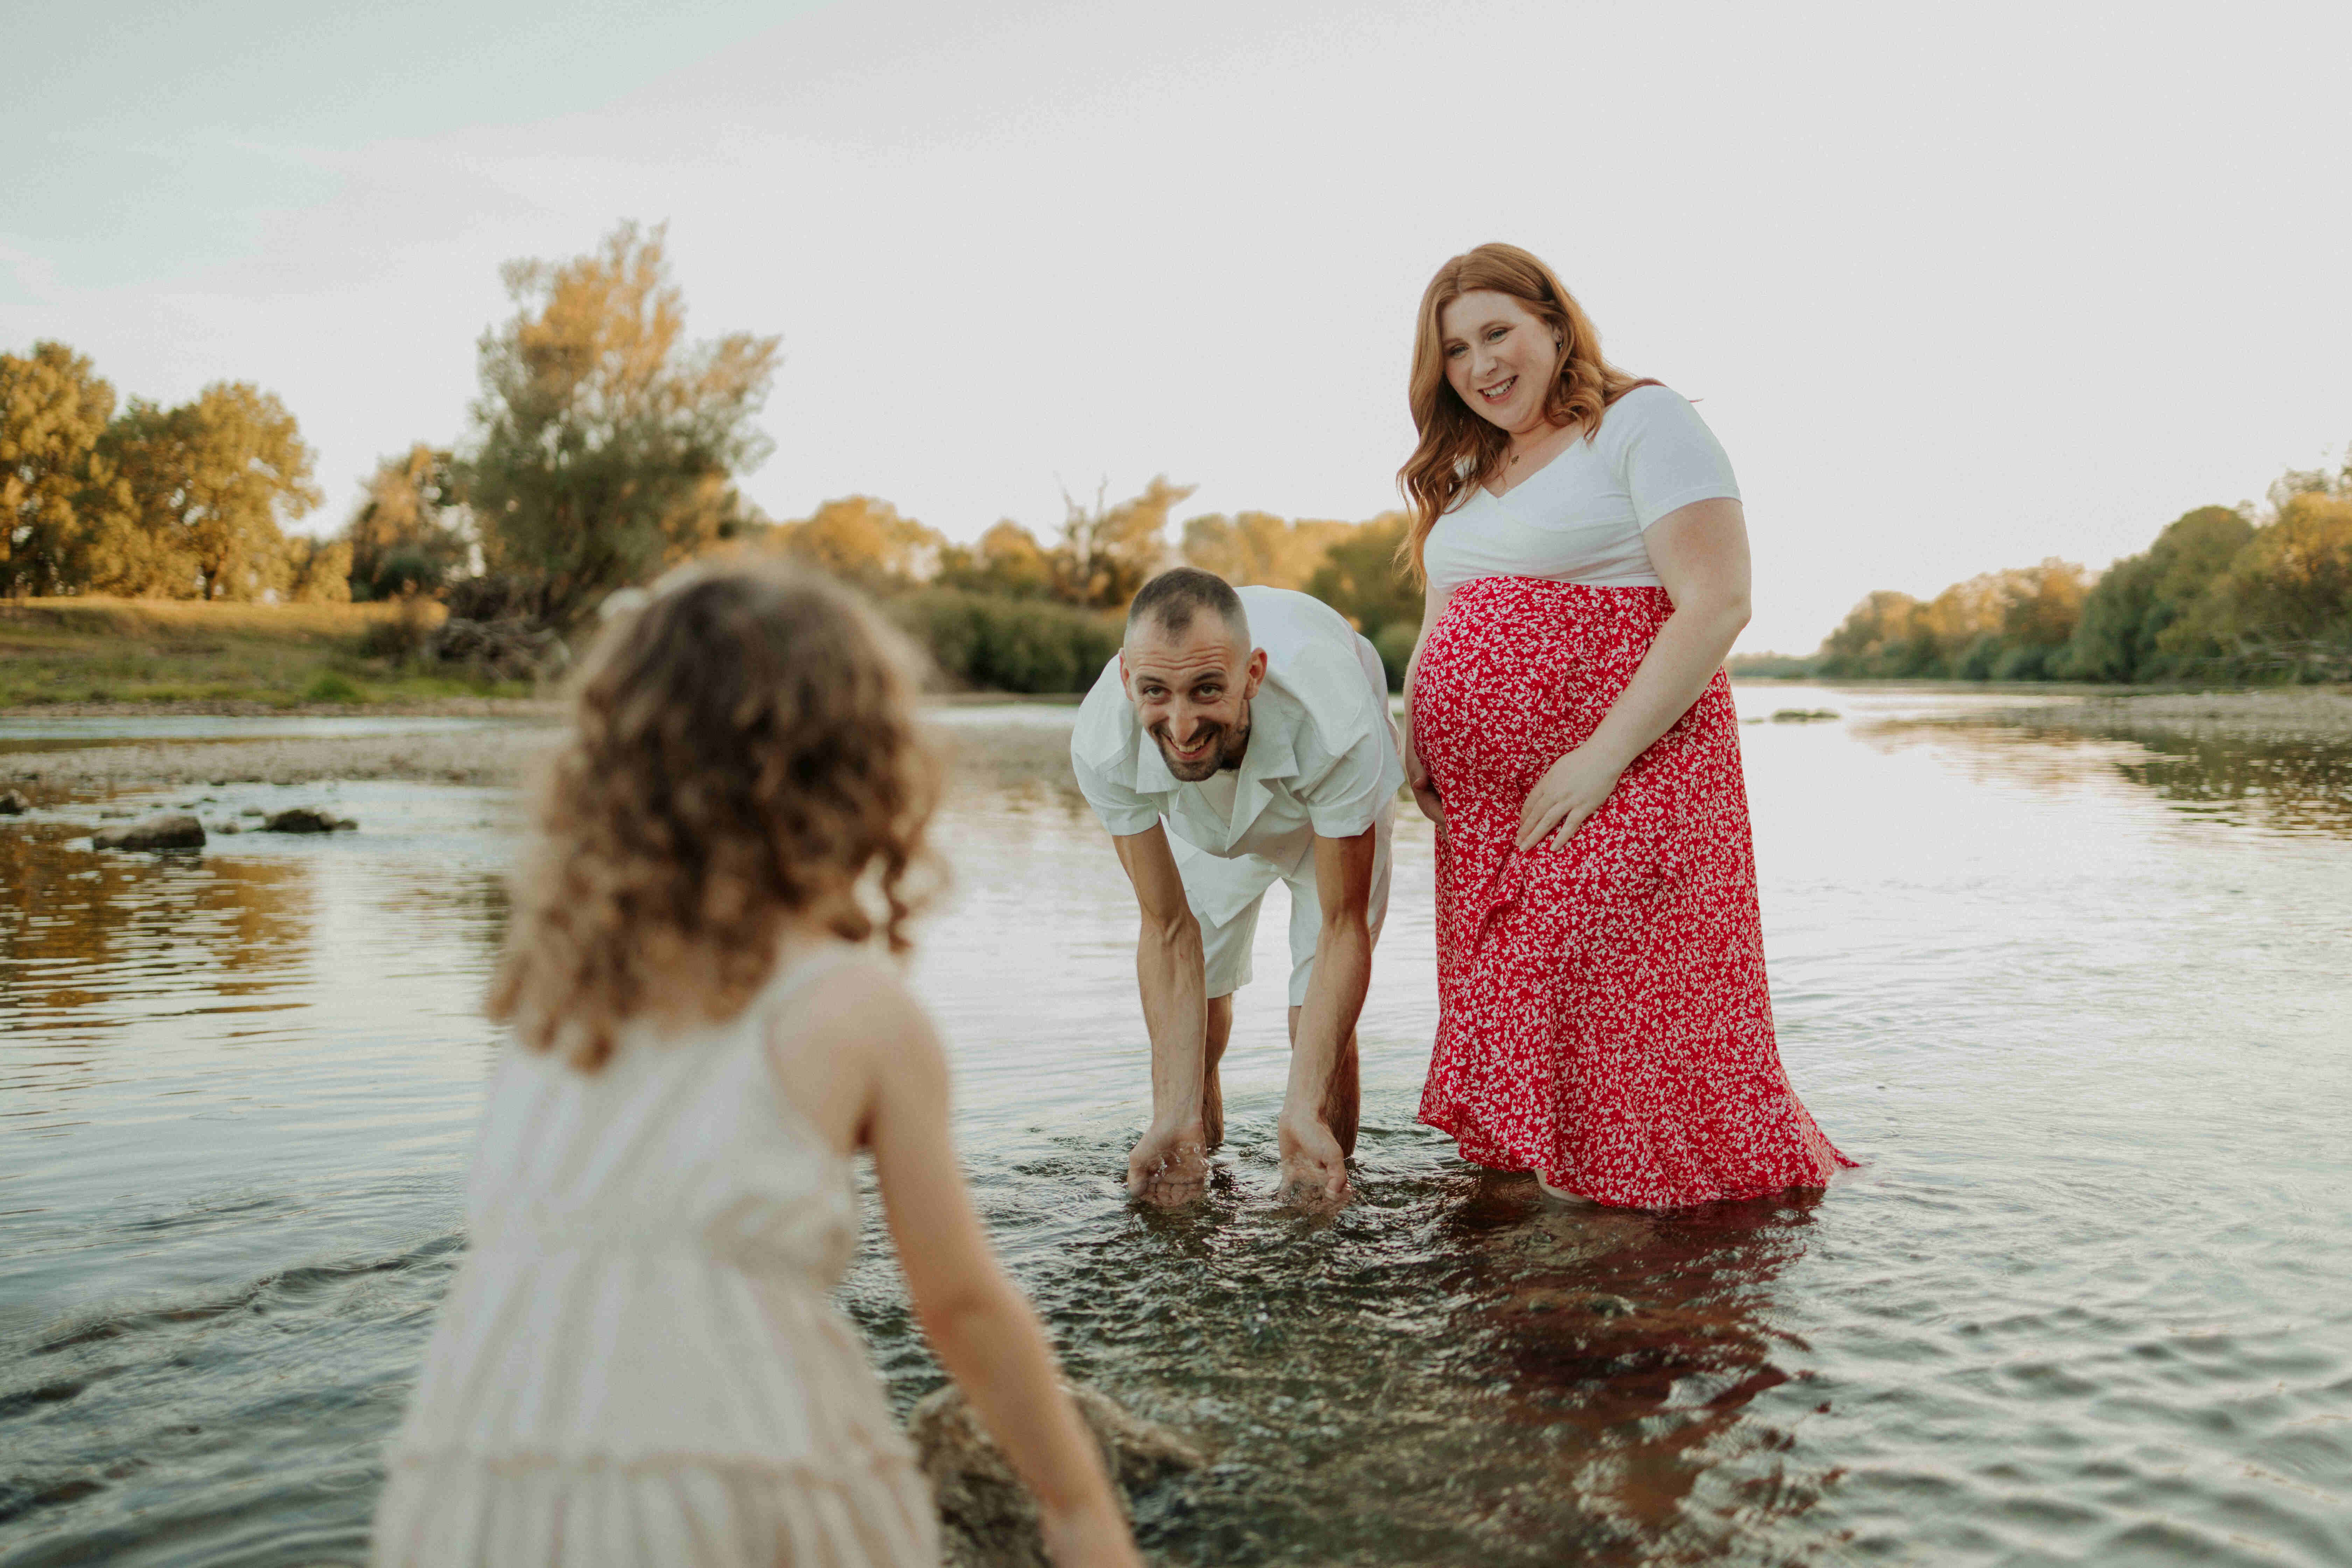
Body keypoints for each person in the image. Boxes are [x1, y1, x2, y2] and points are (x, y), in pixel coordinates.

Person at [372, 560, 1140, 1568]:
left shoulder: (557, 987)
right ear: (861, 769)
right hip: (723, 1467)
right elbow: (958, 1302)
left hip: (489, 1463)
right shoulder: (853, 1006)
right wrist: (1078, 1502)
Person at [1395, 242, 1853, 1209]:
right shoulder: (1471, 468)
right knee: (1524, 1017)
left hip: (1631, 766)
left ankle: (1663, 1242)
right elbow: (1447, 606)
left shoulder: (1645, 422)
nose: (1480, 365)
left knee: (1561, 981)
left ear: (1555, 325)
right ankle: (1552, 1235)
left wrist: (1602, 758)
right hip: (1486, 807)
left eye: (1498, 333)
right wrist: (1416, 721)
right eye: (1456, 350)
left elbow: (1720, 601)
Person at [1070, 568, 1403, 1205]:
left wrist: (1303, 1107)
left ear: (1252, 674)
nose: (1183, 724)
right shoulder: (1103, 744)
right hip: (1205, 818)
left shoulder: (1338, 726)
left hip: (1325, 814)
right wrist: (1169, 1113)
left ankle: (1317, 1209)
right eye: (1156, 693)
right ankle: (1196, 1174)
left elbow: (1341, 929)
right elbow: (1167, 930)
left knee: (1315, 1016)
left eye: (1206, 690)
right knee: (1204, 1002)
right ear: (1125, 679)